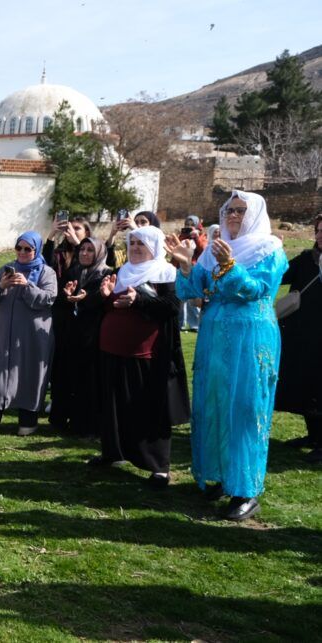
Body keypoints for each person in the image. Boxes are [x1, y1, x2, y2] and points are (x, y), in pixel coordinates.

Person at [166, 189, 288, 521]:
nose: (233, 216)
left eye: (240, 210)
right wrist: (185, 265)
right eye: (229, 210)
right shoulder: (215, 252)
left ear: (255, 214)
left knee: (245, 409)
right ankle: (218, 477)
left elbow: (255, 291)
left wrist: (230, 266)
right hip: (213, 338)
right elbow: (193, 292)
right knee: (213, 405)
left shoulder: (270, 249)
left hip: (250, 337)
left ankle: (246, 490)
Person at [92, 227, 189, 485]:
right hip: (112, 348)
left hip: (145, 353)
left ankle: (158, 466)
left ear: (154, 246)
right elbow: (115, 307)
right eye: (132, 242)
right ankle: (113, 452)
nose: (135, 247)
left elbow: (171, 307)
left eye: (141, 243)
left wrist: (139, 302)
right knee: (113, 405)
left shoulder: (165, 272)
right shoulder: (123, 272)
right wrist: (106, 297)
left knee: (147, 407)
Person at [0, 231, 57, 436]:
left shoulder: (46, 272)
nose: (23, 252)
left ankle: (28, 419)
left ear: (37, 250)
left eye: (28, 249)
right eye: (19, 248)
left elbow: (48, 299)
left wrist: (27, 286)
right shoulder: (7, 269)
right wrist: (1, 285)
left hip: (33, 335)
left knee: (29, 374)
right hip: (5, 333)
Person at [49, 237, 113, 436]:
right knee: (64, 378)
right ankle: (59, 420)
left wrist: (90, 299)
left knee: (88, 382)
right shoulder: (73, 272)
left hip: (92, 336)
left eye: (90, 250)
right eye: (82, 249)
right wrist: (67, 296)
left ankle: (84, 425)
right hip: (70, 335)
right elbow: (60, 301)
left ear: (100, 253)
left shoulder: (107, 274)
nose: (84, 253)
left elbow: (105, 303)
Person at [275, 213, 322, 462]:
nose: (321, 235)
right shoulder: (306, 259)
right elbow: (281, 276)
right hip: (304, 333)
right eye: (319, 231)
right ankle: (313, 436)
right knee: (308, 384)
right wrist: (276, 253)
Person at [178, 216, 208, 331]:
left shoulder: (202, 236)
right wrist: (183, 236)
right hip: (181, 268)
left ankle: (194, 324)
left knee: (193, 299)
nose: (189, 226)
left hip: (195, 269)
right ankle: (180, 324)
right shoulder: (182, 235)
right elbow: (177, 249)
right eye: (187, 223)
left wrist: (196, 237)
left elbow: (203, 250)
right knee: (180, 298)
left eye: (192, 224)